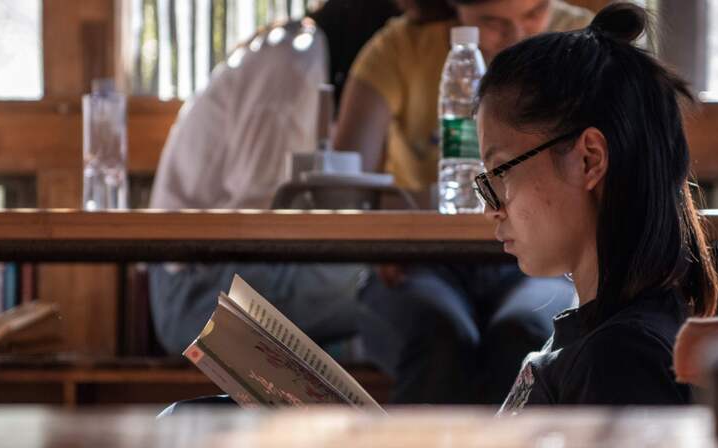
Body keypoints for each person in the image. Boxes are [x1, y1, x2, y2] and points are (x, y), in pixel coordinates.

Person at [334, 0, 592, 404]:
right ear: (456, 10)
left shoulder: (581, 45)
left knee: (523, 336)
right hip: (420, 263)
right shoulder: (401, 49)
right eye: (492, 22)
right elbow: (343, 179)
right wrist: (382, 231)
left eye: (533, 14)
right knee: (438, 336)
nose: (517, 36)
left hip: (538, 262)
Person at [472, 2, 718, 413]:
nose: (491, 209)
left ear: (589, 159)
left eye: (500, 172)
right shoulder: (598, 335)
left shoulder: (621, 362)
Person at [148, 1, 400, 355]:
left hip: (221, 277)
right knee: (392, 285)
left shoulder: (303, 53)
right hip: (197, 295)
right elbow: (261, 219)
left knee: (404, 286)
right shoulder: (294, 61)